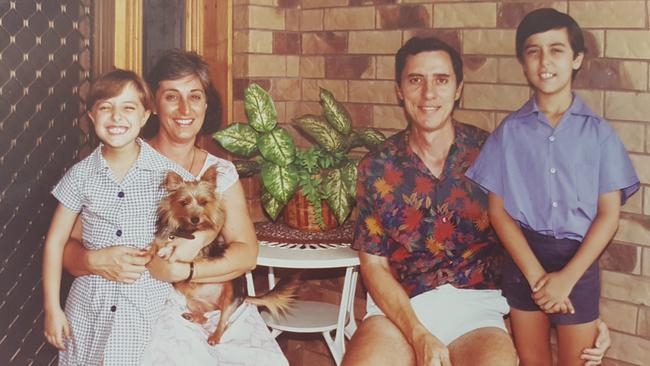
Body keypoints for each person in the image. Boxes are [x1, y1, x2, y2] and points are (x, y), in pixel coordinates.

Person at [343, 36, 611, 366]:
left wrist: (582, 314)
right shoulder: (376, 166)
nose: (429, 94)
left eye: (441, 80)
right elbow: (374, 266)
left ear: (458, 89)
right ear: (399, 89)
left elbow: (540, 237)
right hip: (399, 311)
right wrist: (418, 334)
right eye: (416, 80)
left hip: (477, 311)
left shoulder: (492, 151)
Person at [62, 50, 288, 365]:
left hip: (206, 302)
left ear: (206, 105)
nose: (185, 109)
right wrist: (93, 259)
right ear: (152, 106)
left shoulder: (219, 172)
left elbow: (246, 254)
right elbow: (68, 251)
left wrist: (188, 270)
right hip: (138, 307)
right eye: (172, 97)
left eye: (195, 97)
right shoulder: (122, 161)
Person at [465, 8, 639, 366]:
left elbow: (609, 215)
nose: (545, 61)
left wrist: (565, 279)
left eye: (557, 49)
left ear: (576, 59)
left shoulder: (599, 135)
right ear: (523, 62)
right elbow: (498, 213)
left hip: (578, 260)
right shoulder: (508, 135)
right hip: (523, 260)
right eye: (533, 51)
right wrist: (537, 278)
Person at [43, 69, 196, 364]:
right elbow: (55, 242)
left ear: (145, 116)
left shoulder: (169, 175)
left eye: (128, 108)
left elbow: (203, 217)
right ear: (90, 116)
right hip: (90, 306)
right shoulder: (80, 176)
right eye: (105, 108)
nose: (116, 117)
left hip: (147, 305)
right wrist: (52, 308)